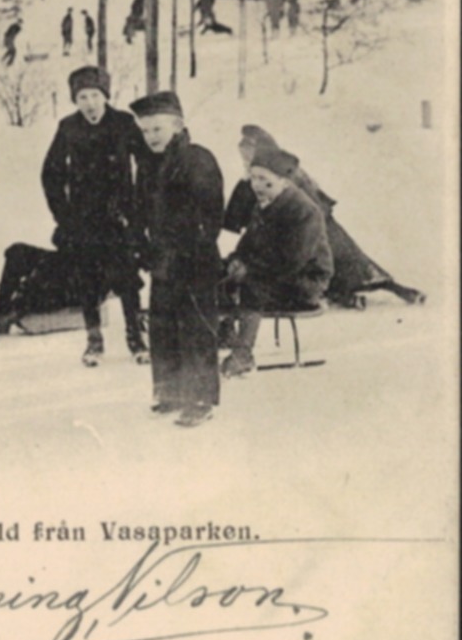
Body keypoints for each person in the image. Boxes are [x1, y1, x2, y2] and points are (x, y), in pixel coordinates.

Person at [0, 66, 149, 365]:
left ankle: (136, 339)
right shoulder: (69, 127)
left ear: (105, 96)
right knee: (87, 278)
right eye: (82, 97)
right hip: (83, 221)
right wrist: (64, 216)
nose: (90, 103)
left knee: (125, 277)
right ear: (75, 100)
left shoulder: (124, 123)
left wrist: (136, 213)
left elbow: (145, 166)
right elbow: (50, 174)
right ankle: (94, 342)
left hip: (119, 220)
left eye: (95, 95)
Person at [224, 125, 424, 307]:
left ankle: (392, 290)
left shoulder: (283, 174)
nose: (245, 159)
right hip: (310, 226)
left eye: (247, 154)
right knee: (345, 267)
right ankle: (353, 296)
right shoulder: (261, 175)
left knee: (348, 265)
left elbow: (306, 202)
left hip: (316, 227)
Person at [131, 91, 225, 428]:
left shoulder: (198, 159)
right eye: (145, 131)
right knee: (163, 326)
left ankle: (200, 398)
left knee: (196, 328)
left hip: (194, 260)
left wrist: (189, 248)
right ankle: (169, 391)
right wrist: (141, 244)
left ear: (179, 125)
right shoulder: (147, 165)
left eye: (157, 129)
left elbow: (210, 215)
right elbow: (139, 210)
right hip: (162, 260)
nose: (151, 137)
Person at [219, 145, 333, 378]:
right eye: (253, 179)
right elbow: (247, 244)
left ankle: (243, 355)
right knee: (219, 273)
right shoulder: (264, 204)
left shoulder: (304, 212)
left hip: (305, 280)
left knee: (252, 285)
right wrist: (235, 261)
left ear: (285, 182)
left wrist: (248, 270)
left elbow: (291, 261)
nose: (257, 186)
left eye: (265, 181)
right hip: (274, 272)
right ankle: (225, 332)